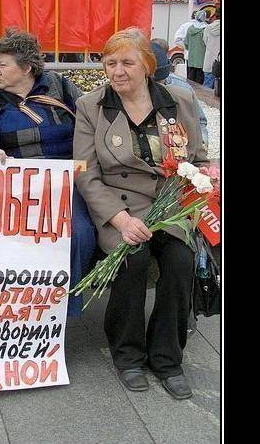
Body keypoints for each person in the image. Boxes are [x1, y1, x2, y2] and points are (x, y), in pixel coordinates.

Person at [73, 28, 209, 400]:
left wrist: (206, 181)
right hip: (120, 205)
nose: (117, 71)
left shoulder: (179, 100)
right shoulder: (91, 106)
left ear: (146, 65)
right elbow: (85, 173)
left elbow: (197, 160)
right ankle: (128, 354)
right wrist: (120, 219)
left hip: (170, 206)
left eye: (127, 63)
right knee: (133, 258)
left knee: (180, 262)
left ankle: (167, 359)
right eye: (110, 63)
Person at [0, 29, 97, 317]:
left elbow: (90, 118)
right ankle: (20, 308)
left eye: (2, 65)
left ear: (26, 67)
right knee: (16, 237)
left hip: (65, 178)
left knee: (79, 232)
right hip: (17, 181)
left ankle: (64, 311)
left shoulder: (59, 86)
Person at [150, 39, 209, 150]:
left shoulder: (183, 88)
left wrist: (202, 143)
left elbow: (200, 120)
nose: (155, 89)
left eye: (159, 83)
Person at [184, 10, 208, 84]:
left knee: (190, 80)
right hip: (202, 59)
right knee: (199, 81)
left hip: (191, 59)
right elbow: (207, 43)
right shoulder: (205, 29)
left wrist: (191, 49)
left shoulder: (190, 28)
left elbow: (186, 43)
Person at [203, 8, 220, 90]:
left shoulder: (208, 28)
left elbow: (205, 41)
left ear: (215, 16)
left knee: (207, 85)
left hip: (209, 58)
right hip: (219, 60)